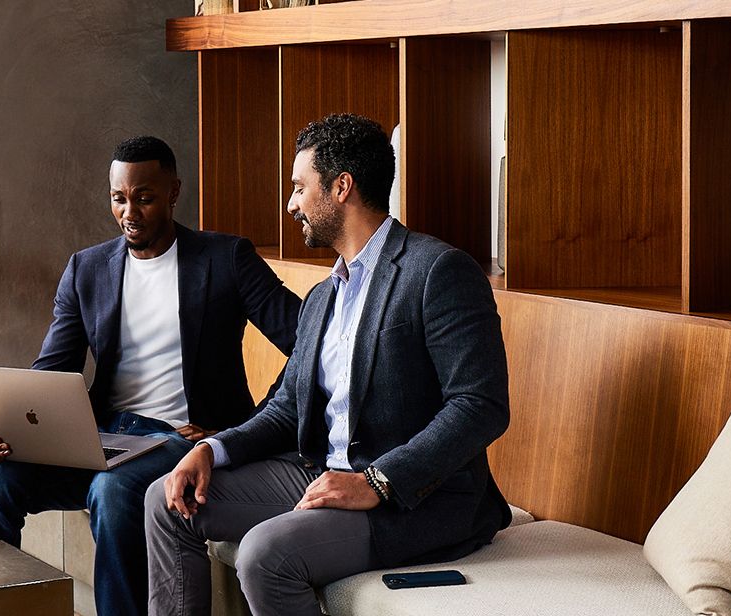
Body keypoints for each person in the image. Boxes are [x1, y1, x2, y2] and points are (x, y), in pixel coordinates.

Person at [145, 114, 512, 616]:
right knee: (166, 503)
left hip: (416, 497)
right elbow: (287, 407)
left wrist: (376, 481)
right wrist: (213, 448)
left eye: (299, 188)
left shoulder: (438, 271)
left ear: (342, 187)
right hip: (320, 471)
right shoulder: (322, 296)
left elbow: (480, 405)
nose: (291, 204)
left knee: (265, 554)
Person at [0, 136, 302, 616]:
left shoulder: (226, 259)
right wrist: (4, 425)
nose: (130, 212)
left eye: (144, 197)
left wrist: (247, 428)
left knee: (114, 491)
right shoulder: (87, 269)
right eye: (119, 198)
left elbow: (309, 342)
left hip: (180, 439)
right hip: (101, 436)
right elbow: (52, 372)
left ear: (173, 192)